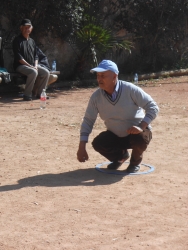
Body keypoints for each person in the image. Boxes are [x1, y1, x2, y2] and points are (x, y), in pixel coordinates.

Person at [77, 60, 159, 173]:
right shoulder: (96, 97)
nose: (99, 79)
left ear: (114, 76)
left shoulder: (130, 89)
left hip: (136, 133)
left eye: (103, 75)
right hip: (115, 135)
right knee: (98, 143)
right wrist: (82, 146)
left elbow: (153, 107)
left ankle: (135, 162)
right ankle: (121, 157)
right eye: (98, 75)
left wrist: (141, 126)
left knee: (140, 138)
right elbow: (88, 120)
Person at [12, 19, 50, 101]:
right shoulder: (17, 41)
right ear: (21, 28)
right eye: (25, 27)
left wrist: (35, 65)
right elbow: (19, 58)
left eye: (29, 27)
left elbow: (36, 56)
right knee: (33, 72)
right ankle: (27, 95)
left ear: (31, 29)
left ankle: (40, 94)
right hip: (20, 66)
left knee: (46, 72)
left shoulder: (32, 41)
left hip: (32, 65)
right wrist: (31, 66)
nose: (27, 29)